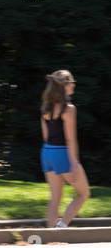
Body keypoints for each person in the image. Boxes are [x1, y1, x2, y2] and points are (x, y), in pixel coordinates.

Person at [40, 70, 90, 228]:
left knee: (55, 198)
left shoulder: (45, 109)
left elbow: (46, 136)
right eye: (71, 82)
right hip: (62, 153)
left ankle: (49, 237)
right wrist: (74, 164)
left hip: (47, 153)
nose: (73, 85)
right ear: (64, 86)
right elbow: (70, 138)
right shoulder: (69, 109)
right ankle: (61, 227)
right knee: (83, 193)